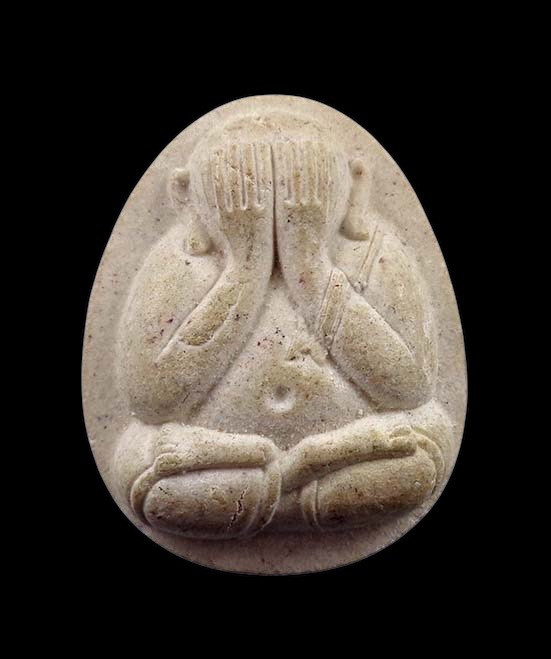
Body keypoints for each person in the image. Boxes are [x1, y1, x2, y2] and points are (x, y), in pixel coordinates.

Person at [114, 126, 452, 539]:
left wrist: (309, 266)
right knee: (142, 467)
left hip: (315, 469)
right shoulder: (176, 263)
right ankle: (302, 478)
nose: (272, 208)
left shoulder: (375, 252)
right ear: (186, 194)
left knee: (423, 448)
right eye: (238, 190)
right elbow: (151, 402)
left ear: (354, 185)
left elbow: (410, 389)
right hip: (231, 470)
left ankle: (290, 476)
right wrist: (246, 268)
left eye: (304, 184)